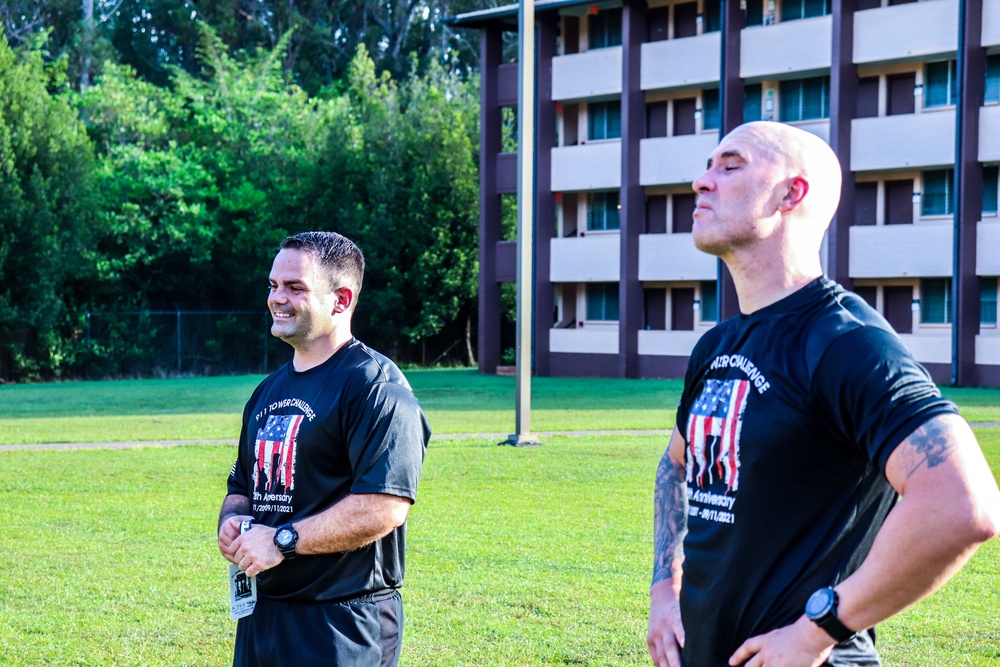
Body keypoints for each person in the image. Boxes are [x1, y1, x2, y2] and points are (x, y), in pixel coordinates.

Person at [646, 121, 1000, 667]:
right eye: (707, 165)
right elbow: (675, 466)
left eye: (730, 165)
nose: (701, 181)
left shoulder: (845, 343)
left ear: (792, 193)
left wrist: (817, 631)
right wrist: (663, 590)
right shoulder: (716, 346)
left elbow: (963, 504)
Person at [218, 231, 430, 667]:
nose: (277, 298)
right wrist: (233, 519)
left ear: (340, 299)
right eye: (273, 285)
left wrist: (281, 540)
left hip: (342, 621)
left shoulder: (375, 388)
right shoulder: (266, 392)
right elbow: (242, 482)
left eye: (295, 287)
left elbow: (382, 507)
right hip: (264, 611)